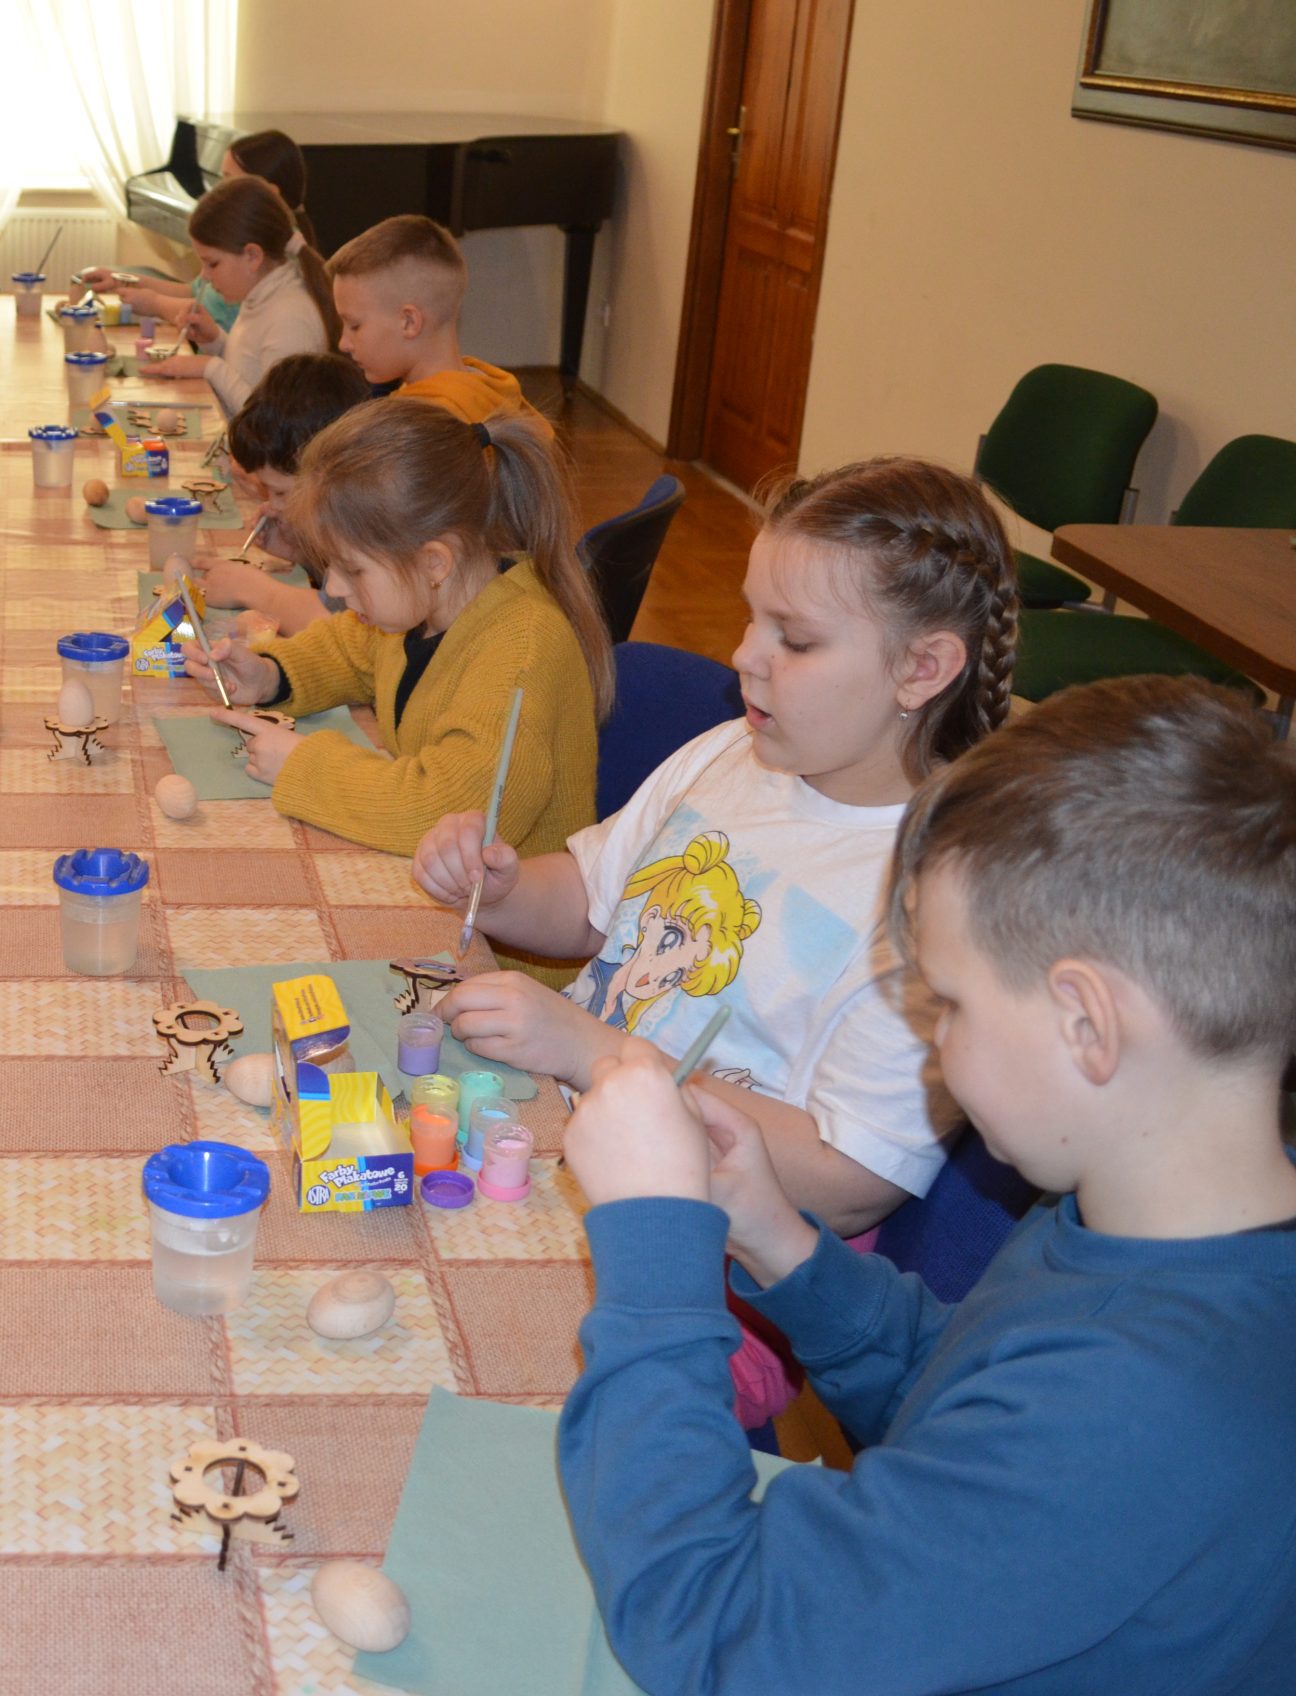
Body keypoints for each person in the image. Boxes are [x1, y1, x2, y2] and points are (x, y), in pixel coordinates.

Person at [556, 676, 1296, 1695]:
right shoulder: (1146, 1214)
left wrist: (650, 1242)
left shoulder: (1144, 1403)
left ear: (1086, 1022)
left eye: (945, 1005)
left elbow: (710, 1630)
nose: (931, 1050)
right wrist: (781, 1239)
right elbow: (964, 1398)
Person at [415, 456, 1020, 1422]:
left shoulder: (941, 896)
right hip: (555, 1143)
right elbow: (584, 902)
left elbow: (853, 1182)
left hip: (721, 1284)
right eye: (751, 618)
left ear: (922, 668)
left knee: (473, 1395)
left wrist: (595, 1050)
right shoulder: (734, 754)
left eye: (797, 639)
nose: (746, 655)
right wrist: (497, 888)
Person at [187, 397, 610, 869]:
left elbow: (448, 811)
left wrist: (304, 767)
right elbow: (351, 650)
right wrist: (270, 675)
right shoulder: (428, 605)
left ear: (434, 562)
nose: (334, 587)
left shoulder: (522, 648)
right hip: (438, 881)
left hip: (497, 930)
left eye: (352, 570)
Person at [84, 128, 313, 349]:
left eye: (229, 180)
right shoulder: (244, 245)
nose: (217, 190)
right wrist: (121, 280)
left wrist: (156, 304)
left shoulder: (267, 259)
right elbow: (194, 291)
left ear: (269, 192)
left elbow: (214, 320)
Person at [197, 350, 373, 635]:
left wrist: (250, 588)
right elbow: (337, 596)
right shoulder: (344, 521)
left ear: (330, 474)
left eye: (281, 493)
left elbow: (341, 629)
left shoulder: (372, 531)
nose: (273, 506)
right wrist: (303, 552)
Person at [138, 176, 340, 416]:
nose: (205, 276)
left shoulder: (291, 319)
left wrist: (210, 368)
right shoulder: (262, 292)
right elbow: (250, 373)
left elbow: (269, 421)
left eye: (212, 264)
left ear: (252, 256)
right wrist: (215, 341)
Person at [328, 215, 541, 425]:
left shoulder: (424, 423)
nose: (343, 343)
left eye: (355, 326)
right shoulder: (486, 386)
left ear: (409, 322)